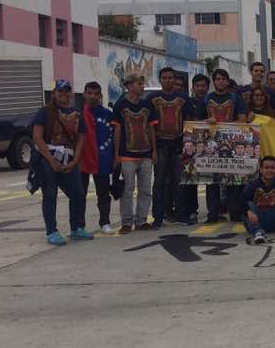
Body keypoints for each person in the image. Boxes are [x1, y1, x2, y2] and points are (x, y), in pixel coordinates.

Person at [32, 79, 92, 245]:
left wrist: (74, 162)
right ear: (54, 93)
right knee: (50, 195)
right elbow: (37, 137)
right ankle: (51, 231)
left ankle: (77, 228)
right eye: (60, 91)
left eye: (67, 91)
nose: (64, 94)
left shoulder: (77, 113)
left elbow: (81, 139)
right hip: (47, 160)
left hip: (69, 160)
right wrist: (51, 160)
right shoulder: (44, 112)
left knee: (78, 194)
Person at [198, 69, 248, 224]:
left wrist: (227, 125)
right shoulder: (206, 99)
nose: (220, 81)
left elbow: (243, 120)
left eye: (223, 78)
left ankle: (234, 212)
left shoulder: (235, 98)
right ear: (214, 82)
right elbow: (197, 122)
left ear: (227, 81)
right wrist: (207, 122)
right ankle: (213, 213)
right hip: (211, 143)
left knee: (233, 180)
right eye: (217, 79)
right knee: (211, 180)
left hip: (231, 142)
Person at [112, 74, 158, 233]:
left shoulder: (147, 105)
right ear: (129, 86)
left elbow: (151, 128)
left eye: (142, 83)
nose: (142, 86)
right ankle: (126, 222)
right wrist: (116, 153)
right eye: (139, 83)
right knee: (127, 189)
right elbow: (117, 129)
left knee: (145, 189)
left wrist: (154, 150)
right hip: (127, 155)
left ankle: (141, 220)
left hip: (145, 154)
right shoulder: (120, 105)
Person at [148, 67, 192, 229]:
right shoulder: (152, 98)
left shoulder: (183, 98)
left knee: (179, 182)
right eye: (164, 78)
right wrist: (152, 148)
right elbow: (149, 126)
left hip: (178, 146)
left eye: (170, 78)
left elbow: (189, 122)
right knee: (158, 183)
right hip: (159, 146)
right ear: (160, 80)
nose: (167, 80)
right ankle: (158, 217)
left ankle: (182, 215)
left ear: (174, 80)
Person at [80, 81, 117, 234]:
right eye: (89, 93)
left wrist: (115, 158)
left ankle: (105, 222)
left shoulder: (108, 115)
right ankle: (78, 225)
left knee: (103, 193)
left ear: (100, 96)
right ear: (84, 94)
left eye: (96, 94)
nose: (93, 96)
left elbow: (115, 137)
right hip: (82, 160)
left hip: (103, 159)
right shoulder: (78, 114)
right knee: (79, 194)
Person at [183, 73, 210, 223]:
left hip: (211, 145)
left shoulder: (210, 101)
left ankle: (214, 210)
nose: (201, 88)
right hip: (192, 144)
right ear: (193, 87)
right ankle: (192, 210)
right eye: (198, 86)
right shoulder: (188, 102)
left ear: (208, 87)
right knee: (191, 178)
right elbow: (188, 121)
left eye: (203, 86)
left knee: (212, 179)